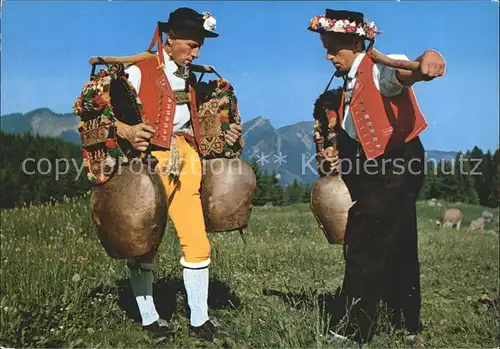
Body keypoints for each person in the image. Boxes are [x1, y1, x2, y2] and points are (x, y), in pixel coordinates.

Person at [308, 9, 445, 345]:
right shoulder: (349, 80)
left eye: (334, 49)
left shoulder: (381, 67)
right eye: (325, 48)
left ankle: (357, 328)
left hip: (398, 164)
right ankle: (405, 322)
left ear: (356, 42)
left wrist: (430, 58)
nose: (329, 57)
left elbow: (410, 72)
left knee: (363, 238)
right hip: (375, 165)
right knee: (397, 239)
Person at [115, 7, 242, 340]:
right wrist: (128, 133)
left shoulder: (196, 79)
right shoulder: (138, 70)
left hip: (187, 159)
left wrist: (226, 134)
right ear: (169, 39)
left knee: (197, 240)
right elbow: (101, 115)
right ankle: (149, 319)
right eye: (191, 44)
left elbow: (206, 126)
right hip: (148, 161)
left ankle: (199, 320)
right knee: (145, 241)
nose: (196, 52)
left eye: (199, 45)